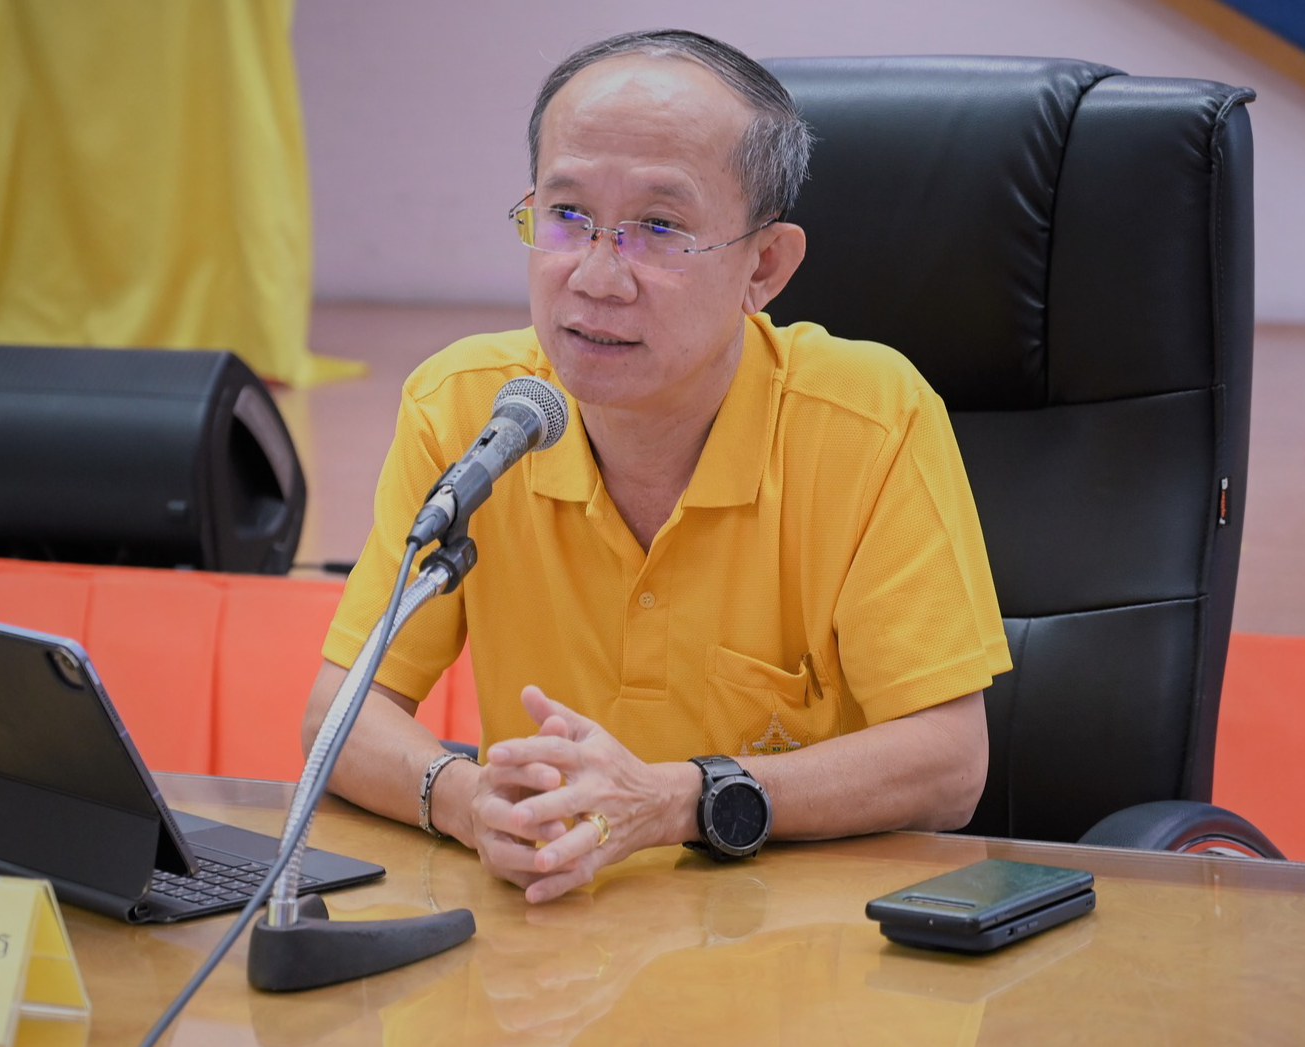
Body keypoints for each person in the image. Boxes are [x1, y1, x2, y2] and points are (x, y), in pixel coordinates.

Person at [302, 29, 1010, 904]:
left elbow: (947, 765)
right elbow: (340, 713)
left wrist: (677, 800)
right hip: (554, 939)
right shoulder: (467, 409)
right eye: (565, 216)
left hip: (798, 946)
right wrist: (463, 799)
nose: (596, 276)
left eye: (659, 228)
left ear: (764, 265)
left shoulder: (867, 418)